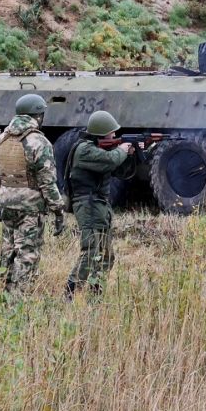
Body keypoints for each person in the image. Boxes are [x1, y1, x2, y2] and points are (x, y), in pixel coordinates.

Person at [0, 93, 65, 299]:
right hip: (30, 207)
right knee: (27, 252)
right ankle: (19, 299)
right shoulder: (39, 142)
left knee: (8, 249)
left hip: (7, 204)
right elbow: (47, 182)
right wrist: (58, 211)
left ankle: (5, 291)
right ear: (38, 116)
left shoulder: (1, 140)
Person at [64, 110, 137, 300]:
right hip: (88, 205)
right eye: (112, 132)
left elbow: (120, 171)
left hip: (100, 206)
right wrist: (121, 150)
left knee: (106, 255)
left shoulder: (99, 149)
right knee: (91, 251)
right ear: (102, 132)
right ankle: (70, 293)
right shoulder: (85, 150)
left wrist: (130, 155)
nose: (114, 135)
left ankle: (95, 294)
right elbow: (111, 160)